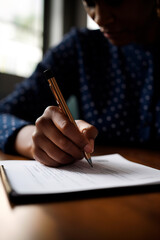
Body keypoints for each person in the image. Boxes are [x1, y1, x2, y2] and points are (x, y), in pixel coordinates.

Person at [0, 0, 160, 167]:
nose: (99, 18)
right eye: (89, 2)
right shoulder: (81, 48)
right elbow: (2, 115)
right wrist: (34, 141)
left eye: (115, 1)